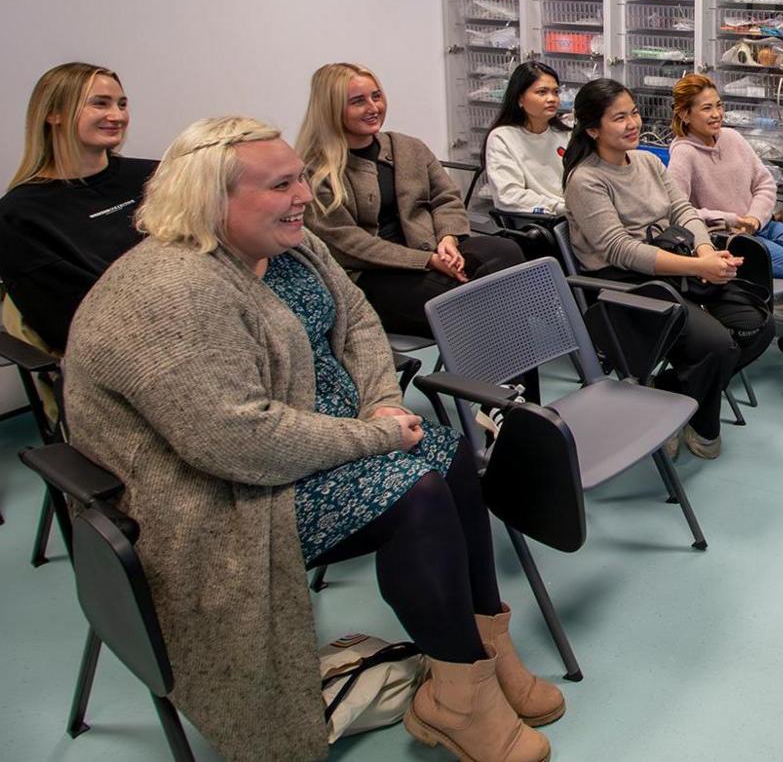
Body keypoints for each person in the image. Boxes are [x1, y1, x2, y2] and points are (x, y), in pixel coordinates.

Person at [62, 117, 559, 762]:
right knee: (416, 493)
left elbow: (357, 319)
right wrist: (373, 436)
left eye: (300, 177)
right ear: (211, 200)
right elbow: (238, 442)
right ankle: (459, 692)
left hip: (318, 441)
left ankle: (486, 649)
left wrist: (382, 401)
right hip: (219, 496)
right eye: (281, 185)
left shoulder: (291, 247)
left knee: (447, 451)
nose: (303, 195)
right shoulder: (166, 292)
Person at [563, 79, 744, 459]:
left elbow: (683, 210)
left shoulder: (646, 160)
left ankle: (669, 395)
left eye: (633, 113)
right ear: (593, 129)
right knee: (717, 345)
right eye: (619, 118)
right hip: (622, 290)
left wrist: (707, 251)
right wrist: (698, 266)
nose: (632, 123)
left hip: (668, 269)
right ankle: (698, 421)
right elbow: (620, 249)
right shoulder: (586, 180)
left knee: (752, 326)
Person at [296, 62, 524, 337]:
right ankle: (499, 368)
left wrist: (448, 239)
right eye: (358, 102)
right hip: (372, 274)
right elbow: (349, 244)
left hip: (431, 248)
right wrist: (426, 261)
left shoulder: (408, 148)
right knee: (462, 301)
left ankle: (507, 365)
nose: (373, 108)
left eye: (376, 96)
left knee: (506, 252)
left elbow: (446, 197)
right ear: (331, 109)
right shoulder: (315, 171)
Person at [665, 73, 783, 375]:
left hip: (760, 224)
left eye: (719, 105)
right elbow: (679, 212)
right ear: (685, 114)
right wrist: (732, 220)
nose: (716, 114)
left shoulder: (733, 138)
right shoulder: (683, 156)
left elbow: (765, 182)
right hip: (731, 240)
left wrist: (755, 215)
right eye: (706, 108)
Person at [0, 62, 157, 354]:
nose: (117, 116)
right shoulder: (19, 215)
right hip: (122, 351)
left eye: (122, 104)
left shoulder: (156, 176)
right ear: (53, 114)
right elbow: (68, 322)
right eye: (100, 104)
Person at [482, 61, 571, 216]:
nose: (552, 99)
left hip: (576, 215)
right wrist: (560, 208)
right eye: (542, 92)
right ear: (520, 99)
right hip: (541, 222)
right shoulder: (502, 137)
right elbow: (510, 195)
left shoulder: (565, 133)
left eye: (556, 92)